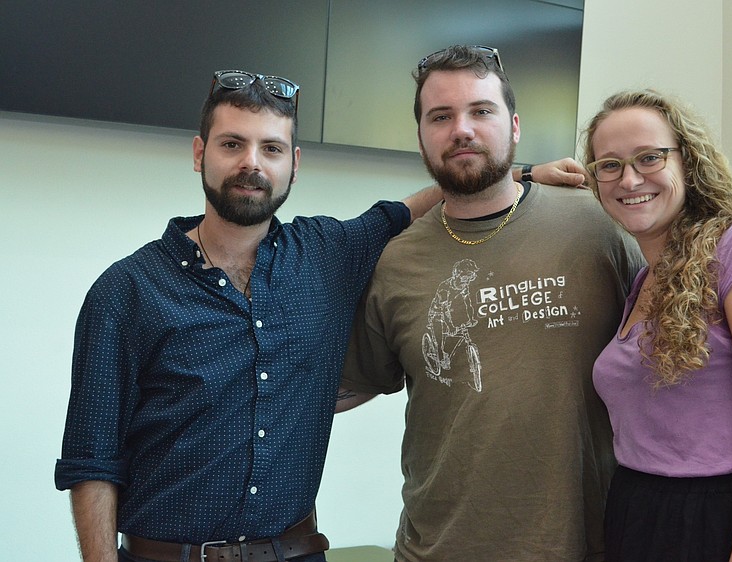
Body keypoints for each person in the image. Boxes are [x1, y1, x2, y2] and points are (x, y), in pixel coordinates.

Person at [54, 69, 584, 562]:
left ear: (294, 164)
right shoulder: (127, 290)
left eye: (272, 148)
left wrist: (521, 173)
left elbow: (411, 206)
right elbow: (91, 460)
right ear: (200, 154)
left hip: (296, 551)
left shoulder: (328, 251)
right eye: (232, 144)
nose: (252, 164)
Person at [337, 45, 644, 561]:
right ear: (421, 137)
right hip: (436, 549)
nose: (462, 129)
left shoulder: (598, 228)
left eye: (481, 111)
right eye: (441, 116)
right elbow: (352, 385)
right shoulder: (395, 261)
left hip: (584, 546)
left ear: (515, 126)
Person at [582, 89, 732, 561]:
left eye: (649, 157)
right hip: (638, 513)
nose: (629, 179)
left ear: (687, 161)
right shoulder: (646, 278)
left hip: (722, 522)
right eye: (609, 165)